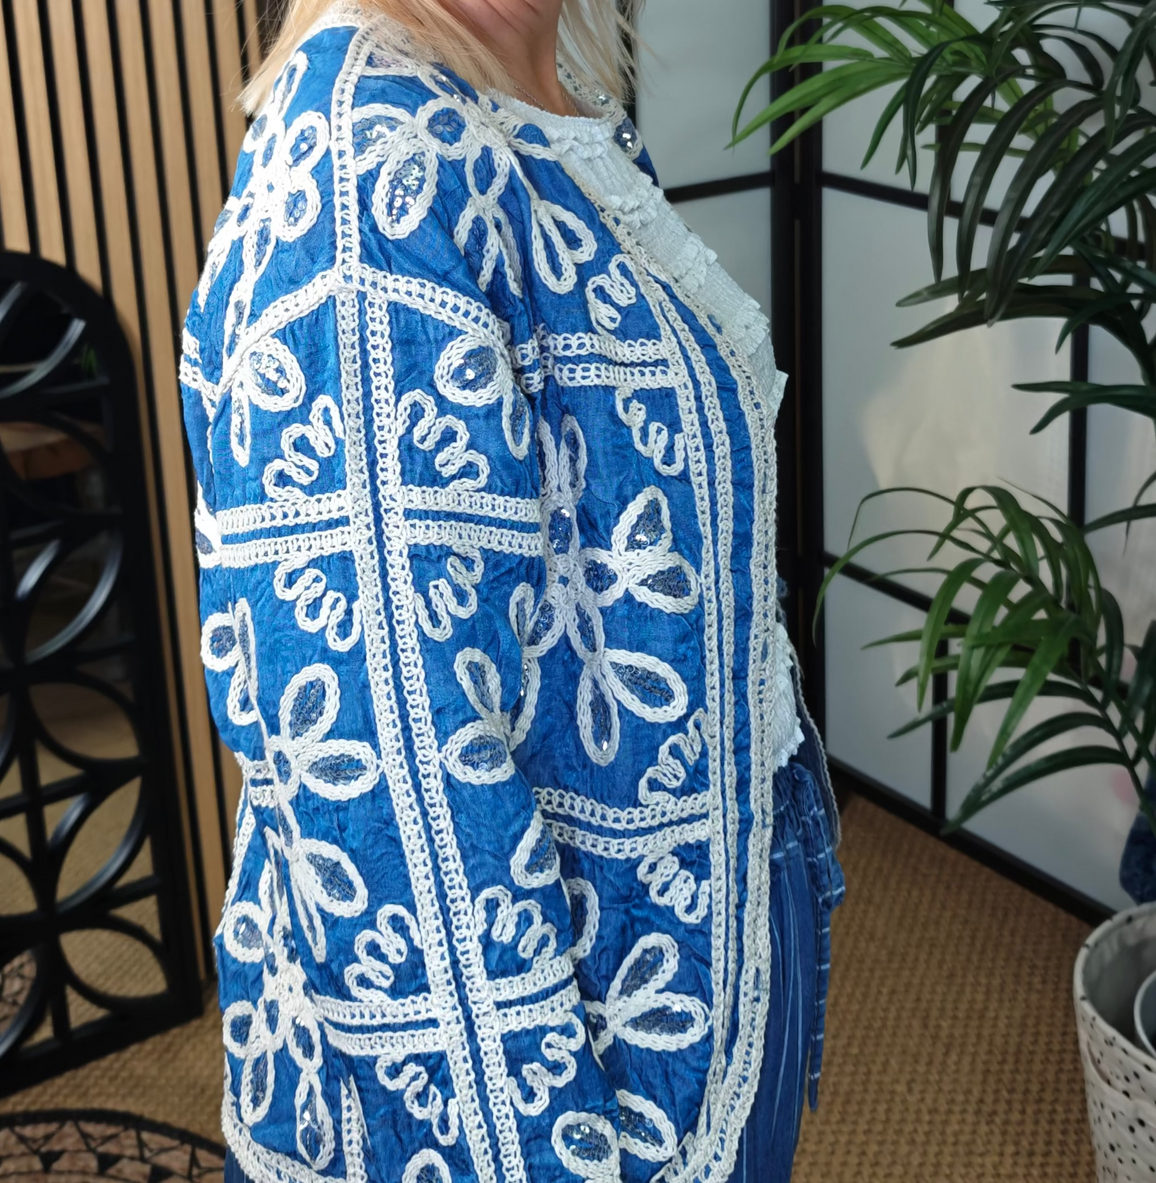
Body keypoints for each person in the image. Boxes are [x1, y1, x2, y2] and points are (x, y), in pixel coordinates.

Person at [178, 3, 844, 1182]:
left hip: (694, 937)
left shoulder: (526, 88)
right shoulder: (375, 171)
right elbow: (388, 776)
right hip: (557, 1071)